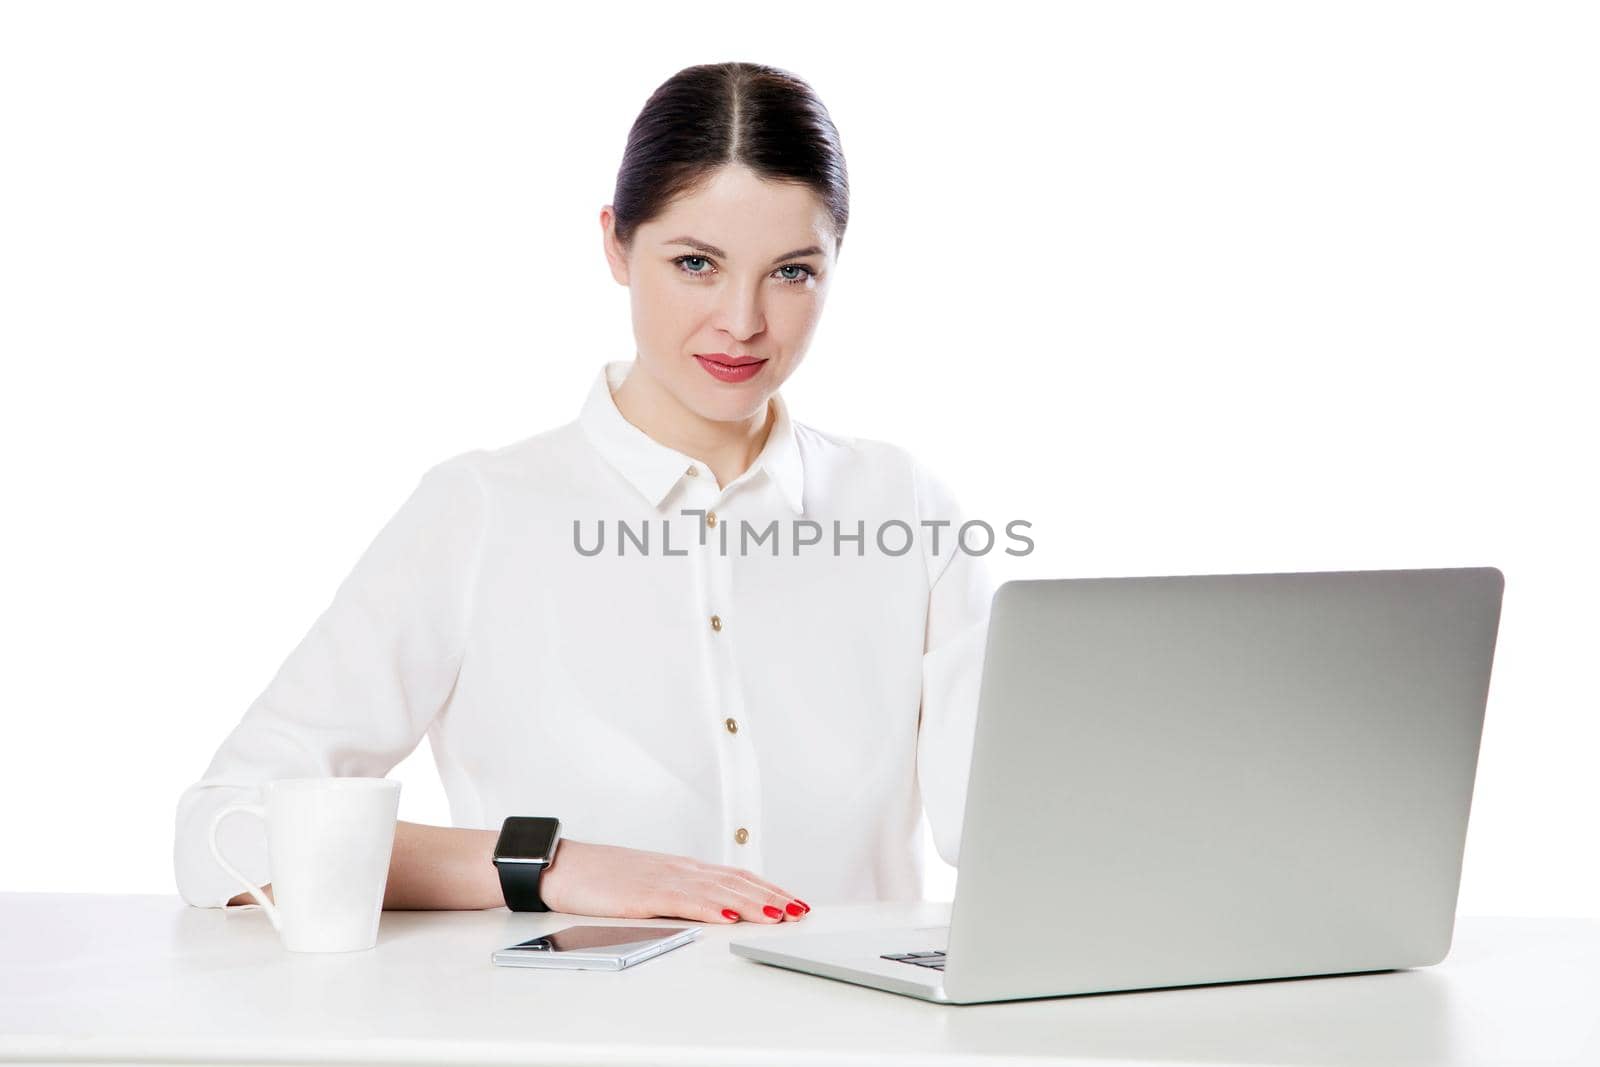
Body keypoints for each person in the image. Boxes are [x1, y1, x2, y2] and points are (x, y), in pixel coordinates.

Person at [173, 61, 996, 926]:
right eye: (695, 263)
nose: (743, 321)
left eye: (792, 272)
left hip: (851, 1047)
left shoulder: (907, 508)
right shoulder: (481, 511)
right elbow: (222, 831)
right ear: (615, 244)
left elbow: (1019, 824)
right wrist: (552, 866)